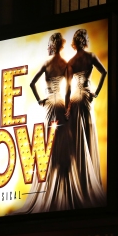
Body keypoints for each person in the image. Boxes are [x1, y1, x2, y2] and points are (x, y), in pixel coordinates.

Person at [13, 32, 86, 213]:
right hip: (60, 104)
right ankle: (62, 186)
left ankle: (51, 186)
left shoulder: (47, 65)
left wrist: (41, 99)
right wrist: (68, 107)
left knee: (50, 143)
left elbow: (32, 83)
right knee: (62, 143)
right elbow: (68, 90)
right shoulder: (66, 65)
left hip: (50, 105)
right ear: (61, 46)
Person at [65, 28, 107, 207]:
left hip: (75, 97)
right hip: (86, 96)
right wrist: (95, 92)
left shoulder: (71, 61)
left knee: (76, 138)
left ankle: (80, 181)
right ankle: (87, 180)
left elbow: (67, 88)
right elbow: (104, 72)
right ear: (85, 41)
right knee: (87, 135)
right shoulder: (91, 57)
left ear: (75, 42)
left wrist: (67, 107)